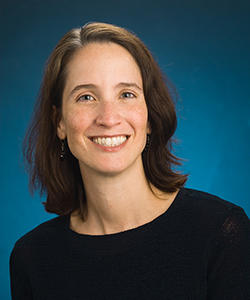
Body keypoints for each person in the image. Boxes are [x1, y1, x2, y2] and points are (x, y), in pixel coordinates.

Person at [10, 22, 250, 299]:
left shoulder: (221, 233)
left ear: (149, 116)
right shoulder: (31, 257)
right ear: (60, 122)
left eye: (127, 94)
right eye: (86, 97)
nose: (109, 118)